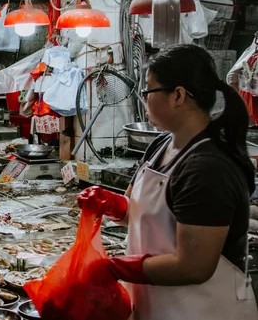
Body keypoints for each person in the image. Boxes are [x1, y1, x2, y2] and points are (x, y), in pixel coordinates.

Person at [77, 44, 258, 320]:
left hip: (204, 310)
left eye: (148, 91)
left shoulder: (208, 168)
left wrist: (116, 267)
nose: (144, 99)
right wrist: (113, 204)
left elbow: (193, 267)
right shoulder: (161, 145)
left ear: (178, 96)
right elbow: (139, 213)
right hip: (158, 304)